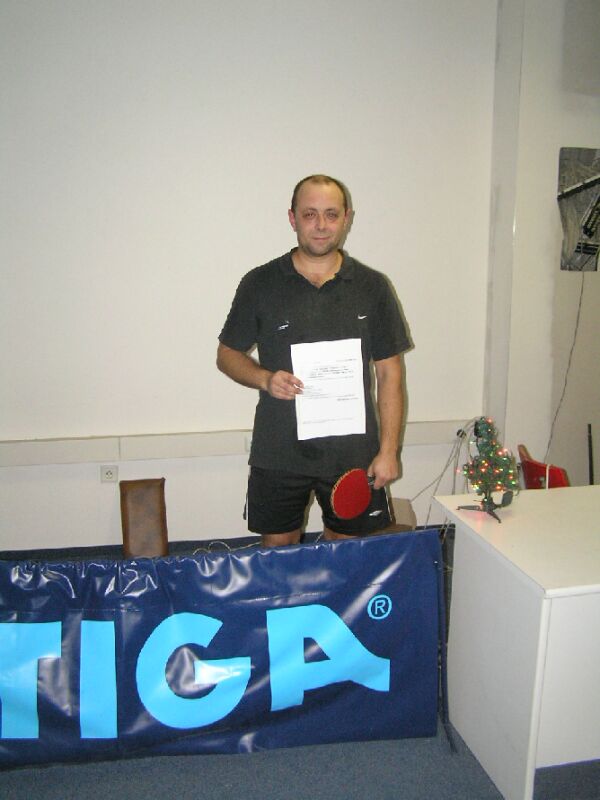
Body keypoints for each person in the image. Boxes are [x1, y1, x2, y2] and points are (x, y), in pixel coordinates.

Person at [217, 174, 410, 546]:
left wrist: (389, 451)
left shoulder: (373, 287)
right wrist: (264, 378)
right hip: (279, 450)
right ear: (292, 218)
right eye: (310, 214)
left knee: (345, 556)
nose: (321, 225)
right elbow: (227, 355)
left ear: (346, 218)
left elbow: (390, 374)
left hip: (353, 454)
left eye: (331, 214)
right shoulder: (260, 283)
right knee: (278, 555)